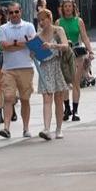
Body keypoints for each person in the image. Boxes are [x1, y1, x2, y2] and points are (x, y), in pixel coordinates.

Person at [0, 3, 36, 139]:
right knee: (8, 97)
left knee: (25, 99)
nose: (14, 15)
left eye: (16, 12)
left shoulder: (29, 26)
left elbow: (33, 44)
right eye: (11, 12)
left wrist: (13, 44)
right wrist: (22, 44)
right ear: (8, 14)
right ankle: (6, 128)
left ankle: (26, 128)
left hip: (26, 67)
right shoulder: (3, 28)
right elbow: (4, 46)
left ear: (21, 12)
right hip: (8, 69)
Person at [33, 8, 71, 140]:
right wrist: (33, 54)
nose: (41, 23)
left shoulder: (58, 30)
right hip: (45, 67)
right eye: (39, 20)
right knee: (47, 98)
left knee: (59, 99)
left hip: (58, 65)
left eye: (43, 19)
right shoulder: (37, 36)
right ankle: (46, 129)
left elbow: (66, 46)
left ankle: (59, 129)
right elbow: (37, 55)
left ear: (50, 18)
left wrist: (52, 46)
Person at [58, 0, 91, 122]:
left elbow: (84, 37)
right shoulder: (59, 22)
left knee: (75, 82)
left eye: (69, 6)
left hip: (77, 53)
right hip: (63, 54)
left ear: (73, 8)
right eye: (65, 6)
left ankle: (75, 111)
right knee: (65, 83)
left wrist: (90, 51)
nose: (67, 8)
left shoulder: (78, 21)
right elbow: (56, 39)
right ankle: (67, 108)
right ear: (62, 8)